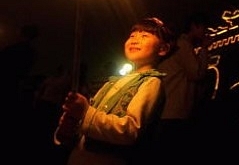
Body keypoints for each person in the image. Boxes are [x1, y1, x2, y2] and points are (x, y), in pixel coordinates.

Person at [54, 17, 177, 165]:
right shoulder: (112, 82)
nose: (135, 39)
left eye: (144, 36)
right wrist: (70, 126)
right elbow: (87, 126)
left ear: (163, 49)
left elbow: (130, 131)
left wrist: (85, 113)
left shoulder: (151, 82)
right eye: (132, 36)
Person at [153, 12, 212, 162]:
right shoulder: (183, 45)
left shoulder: (176, 46)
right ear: (194, 26)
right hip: (176, 113)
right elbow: (197, 74)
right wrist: (205, 49)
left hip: (166, 111)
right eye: (203, 28)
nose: (206, 32)